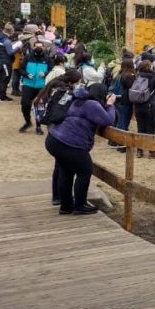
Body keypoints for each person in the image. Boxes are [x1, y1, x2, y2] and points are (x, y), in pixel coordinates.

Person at [45, 82, 116, 214]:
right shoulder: (92, 104)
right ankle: (80, 205)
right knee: (85, 171)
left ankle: (66, 206)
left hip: (54, 139)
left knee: (66, 171)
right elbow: (108, 120)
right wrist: (110, 105)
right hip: (69, 142)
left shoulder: (78, 100)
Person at [35, 68, 82, 205]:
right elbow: (62, 108)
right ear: (72, 81)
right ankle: (58, 196)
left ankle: (58, 195)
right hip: (56, 126)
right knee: (60, 164)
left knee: (59, 164)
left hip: (51, 124)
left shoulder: (55, 83)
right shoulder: (61, 89)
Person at [19, 39, 51, 134]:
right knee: (25, 105)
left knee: (39, 106)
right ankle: (28, 122)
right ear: (33, 47)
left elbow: (52, 69)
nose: (38, 48)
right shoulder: (27, 58)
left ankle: (38, 126)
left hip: (41, 86)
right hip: (28, 84)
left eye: (40, 46)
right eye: (36, 46)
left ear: (43, 48)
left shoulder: (47, 59)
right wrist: (26, 74)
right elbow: (21, 69)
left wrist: (45, 73)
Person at [133, 58, 155, 157]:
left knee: (140, 128)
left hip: (137, 106)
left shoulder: (137, 76)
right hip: (149, 105)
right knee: (150, 129)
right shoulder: (154, 76)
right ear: (149, 67)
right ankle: (151, 151)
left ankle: (139, 151)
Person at [0, 23, 16, 101]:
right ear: (10, 30)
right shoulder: (6, 40)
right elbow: (10, 52)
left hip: (0, 60)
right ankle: (3, 96)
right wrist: (17, 48)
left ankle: (2, 95)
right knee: (5, 78)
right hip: (5, 61)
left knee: (2, 78)